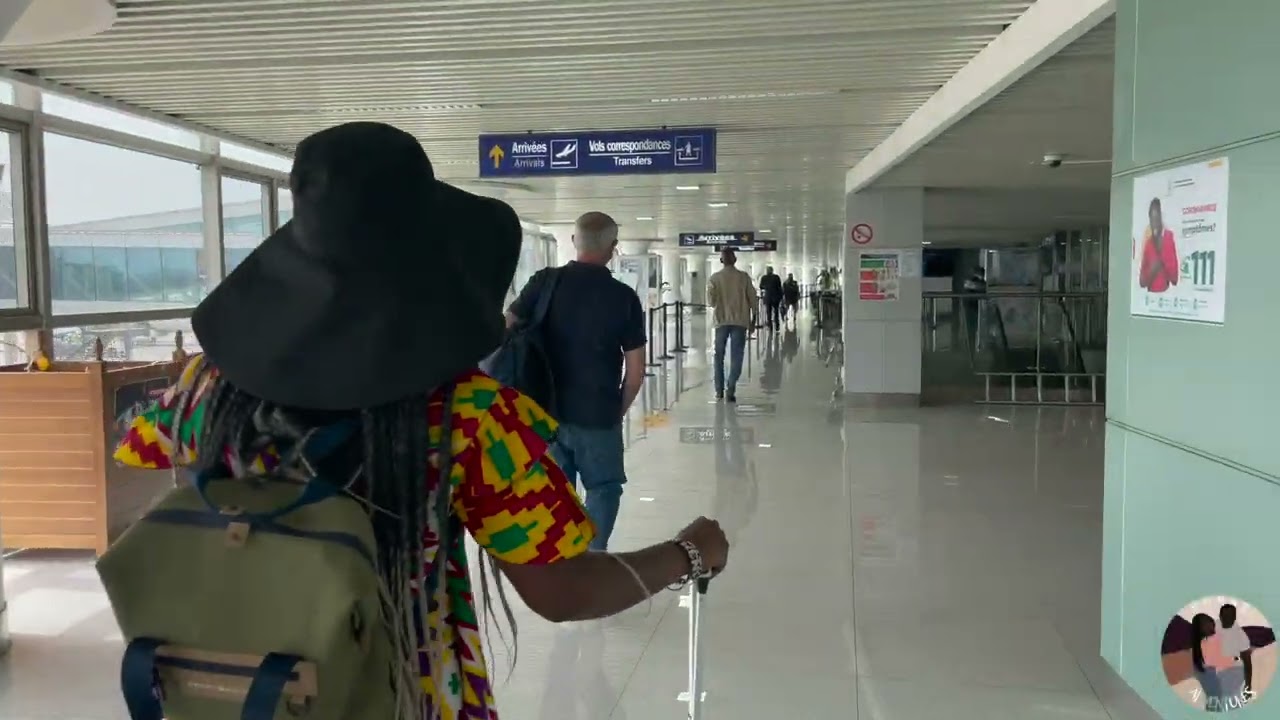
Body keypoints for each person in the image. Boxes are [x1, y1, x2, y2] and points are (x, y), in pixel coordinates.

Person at [111, 122, 729, 720]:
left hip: (234, 694)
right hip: (402, 693)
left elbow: (144, 468)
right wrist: (686, 554)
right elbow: (561, 590)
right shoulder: (463, 417)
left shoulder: (204, 391)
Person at [506, 211, 644, 552]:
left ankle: (564, 556)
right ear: (613, 248)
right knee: (604, 487)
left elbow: (507, 327)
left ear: (573, 241)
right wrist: (617, 409)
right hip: (597, 413)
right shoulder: (623, 297)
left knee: (556, 489)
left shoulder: (543, 282)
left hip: (544, 410)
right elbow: (636, 370)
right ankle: (593, 559)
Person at [707, 247, 757, 403]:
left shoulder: (714, 278)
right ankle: (731, 388)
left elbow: (711, 302)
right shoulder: (744, 278)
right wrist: (753, 320)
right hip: (740, 321)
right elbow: (753, 300)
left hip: (721, 321)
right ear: (735, 260)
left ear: (721, 261)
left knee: (718, 357)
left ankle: (718, 390)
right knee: (737, 356)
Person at [1139, 197, 1179, 293]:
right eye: (1152, 220)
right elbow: (1142, 282)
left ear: (1161, 217)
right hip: (1150, 297)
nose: (1154, 224)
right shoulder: (1148, 244)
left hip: (1168, 295)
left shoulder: (1169, 238)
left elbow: (1175, 279)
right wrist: (1152, 271)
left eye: (1157, 219)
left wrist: (1163, 264)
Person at [1218, 604, 1254, 699]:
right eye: (1224, 616)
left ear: (1235, 617)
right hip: (1217, 668)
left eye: (1230, 616)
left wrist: (1248, 687)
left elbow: (1247, 663)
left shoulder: (1241, 636)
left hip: (1234, 669)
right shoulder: (1214, 626)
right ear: (1220, 616)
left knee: (1228, 696)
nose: (1227, 619)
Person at [758, 265, 783, 331]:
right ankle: (777, 326)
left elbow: (761, 286)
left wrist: (766, 287)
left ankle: (770, 326)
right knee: (776, 312)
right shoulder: (776, 277)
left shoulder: (764, 278)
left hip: (768, 297)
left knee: (768, 312)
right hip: (775, 297)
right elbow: (779, 287)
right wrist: (780, 297)